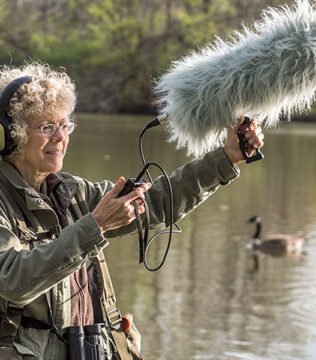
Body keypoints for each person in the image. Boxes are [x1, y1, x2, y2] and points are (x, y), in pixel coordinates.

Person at [0, 62, 264, 360]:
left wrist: (226, 158)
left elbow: (156, 201)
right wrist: (95, 226)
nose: (60, 137)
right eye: (47, 127)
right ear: (11, 135)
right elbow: (12, 280)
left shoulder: (73, 192)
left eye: (64, 125)